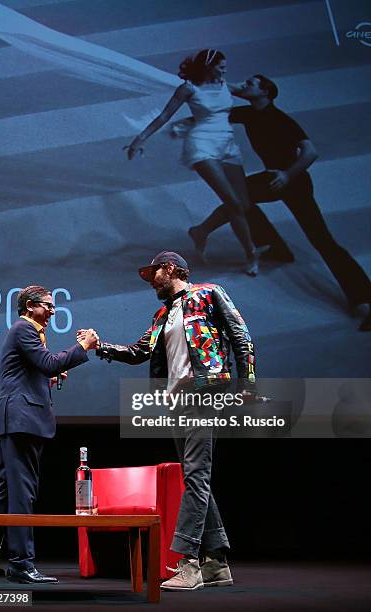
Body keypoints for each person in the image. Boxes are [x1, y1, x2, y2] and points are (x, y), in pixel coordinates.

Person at [93, 251, 256, 591]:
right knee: (196, 477)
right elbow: (139, 352)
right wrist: (101, 346)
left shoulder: (209, 294)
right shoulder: (163, 314)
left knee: (195, 476)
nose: (151, 281)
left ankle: (188, 563)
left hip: (205, 393)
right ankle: (217, 563)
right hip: (176, 402)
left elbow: (241, 337)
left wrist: (248, 384)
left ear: (169, 269)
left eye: (153, 274)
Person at [187, 74, 371, 331]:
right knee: (240, 196)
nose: (246, 84)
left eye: (252, 83)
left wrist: (287, 175)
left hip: (293, 182)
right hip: (274, 177)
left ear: (265, 92)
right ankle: (276, 247)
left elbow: (310, 152)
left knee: (322, 240)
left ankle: (365, 299)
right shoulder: (250, 113)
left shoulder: (281, 120)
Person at [0, 286, 99, 584]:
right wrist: (83, 347)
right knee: (22, 492)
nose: (53, 310)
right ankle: (21, 564)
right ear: (29, 306)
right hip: (21, 421)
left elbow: (36, 369)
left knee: (7, 489)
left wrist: (46, 378)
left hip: (23, 419)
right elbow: (48, 362)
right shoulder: (24, 329)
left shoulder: (31, 332)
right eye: (48, 305)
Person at [125, 49, 262, 276]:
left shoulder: (225, 85)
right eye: (221, 66)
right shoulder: (188, 89)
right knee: (233, 202)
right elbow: (164, 116)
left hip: (227, 146)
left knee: (243, 203)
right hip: (201, 146)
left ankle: (200, 232)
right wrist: (139, 139)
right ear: (208, 66)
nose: (225, 69)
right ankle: (251, 253)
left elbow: (254, 95)